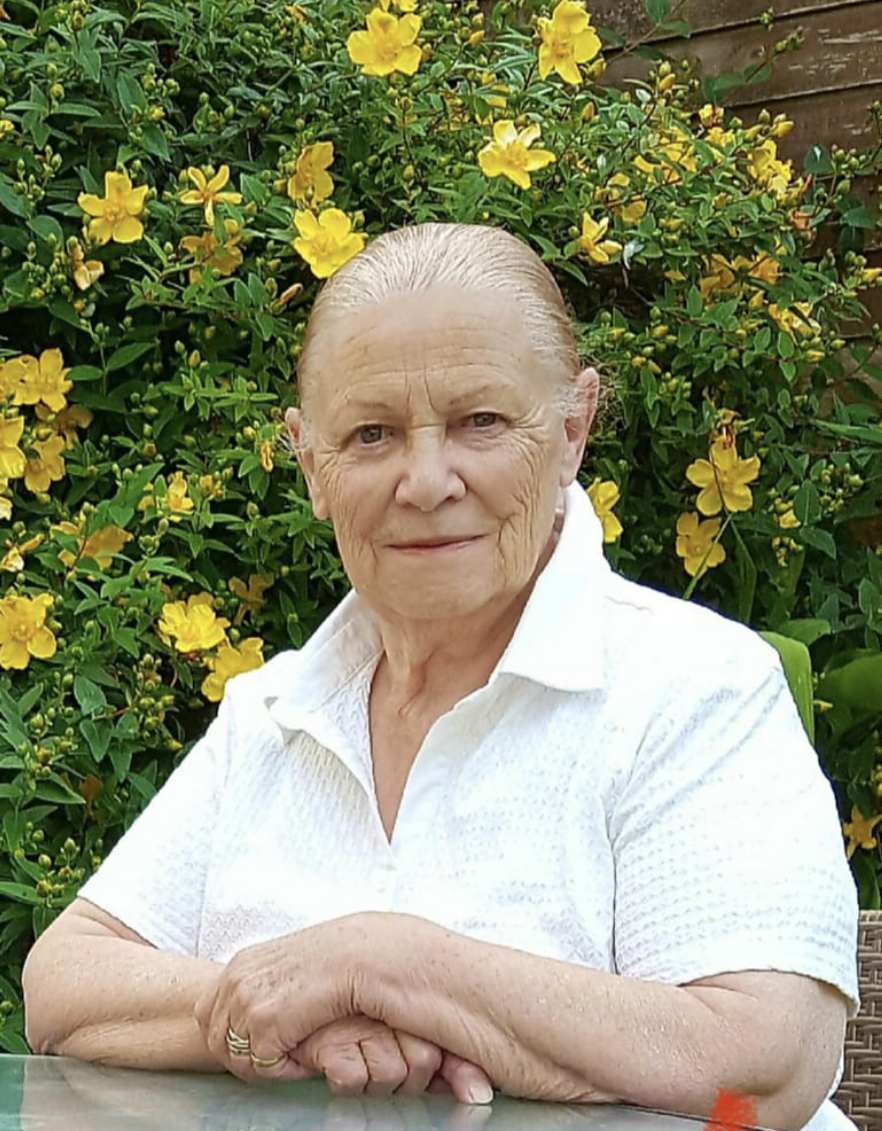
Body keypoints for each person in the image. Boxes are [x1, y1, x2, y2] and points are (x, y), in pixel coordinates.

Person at [23, 223, 858, 1130]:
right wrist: (287, 1009)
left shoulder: (694, 687)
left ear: (572, 430)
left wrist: (386, 965)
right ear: (311, 465)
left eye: (481, 422)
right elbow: (64, 985)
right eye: (371, 433)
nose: (425, 481)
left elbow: (763, 1068)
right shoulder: (271, 712)